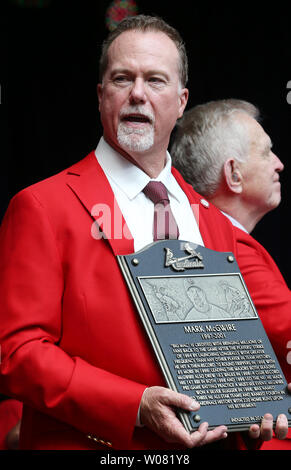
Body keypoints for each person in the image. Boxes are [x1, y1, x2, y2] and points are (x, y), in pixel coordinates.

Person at [0, 17, 289, 451]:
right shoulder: (43, 206)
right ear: (101, 97)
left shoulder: (212, 221)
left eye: (155, 80)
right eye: (122, 78)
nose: (138, 93)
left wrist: (253, 415)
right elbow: (18, 355)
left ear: (181, 100)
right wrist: (135, 404)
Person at [170, 99, 291, 449]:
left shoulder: (199, 242)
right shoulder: (227, 251)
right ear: (233, 174)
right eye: (267, 152)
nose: (279, 164)